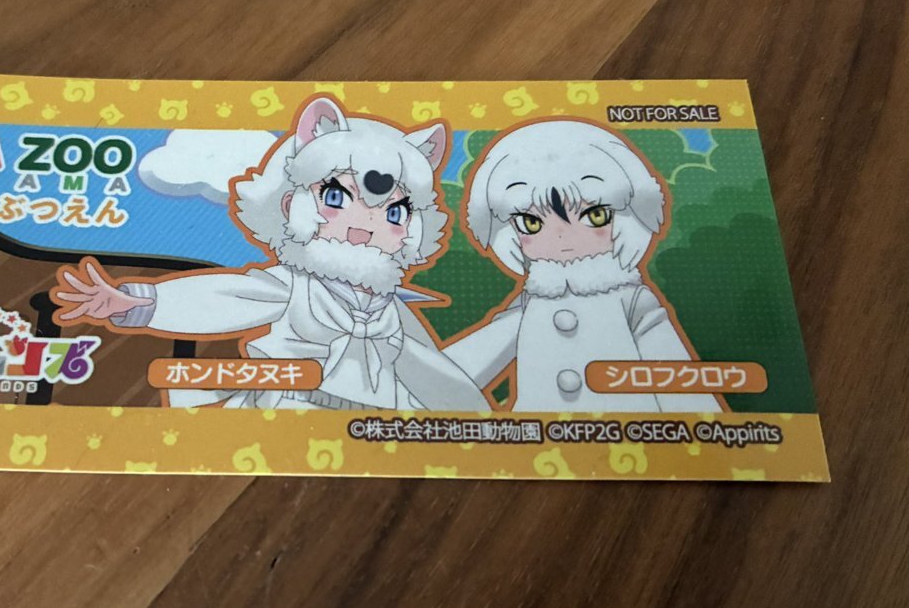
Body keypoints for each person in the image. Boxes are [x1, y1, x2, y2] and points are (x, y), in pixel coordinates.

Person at [52, 95, 488, 411]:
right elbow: (227, 298)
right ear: (290, 203)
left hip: (373, 421)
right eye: (337, 198)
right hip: (292, 407)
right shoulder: (295, 285)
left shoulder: (390, 307)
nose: (365, 225)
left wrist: (472, 419)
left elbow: (427, 364)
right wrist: (140, 303)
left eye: (393, 212)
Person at [445, 118, 723, 412]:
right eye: (532, 222)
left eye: (594, 216)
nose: (562, 236)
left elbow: (672, 374)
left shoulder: (633, 301)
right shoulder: (531, 303)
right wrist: (421, 375)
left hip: (628, 428)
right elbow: (475, 357)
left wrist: (704, 429)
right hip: (538, 430)